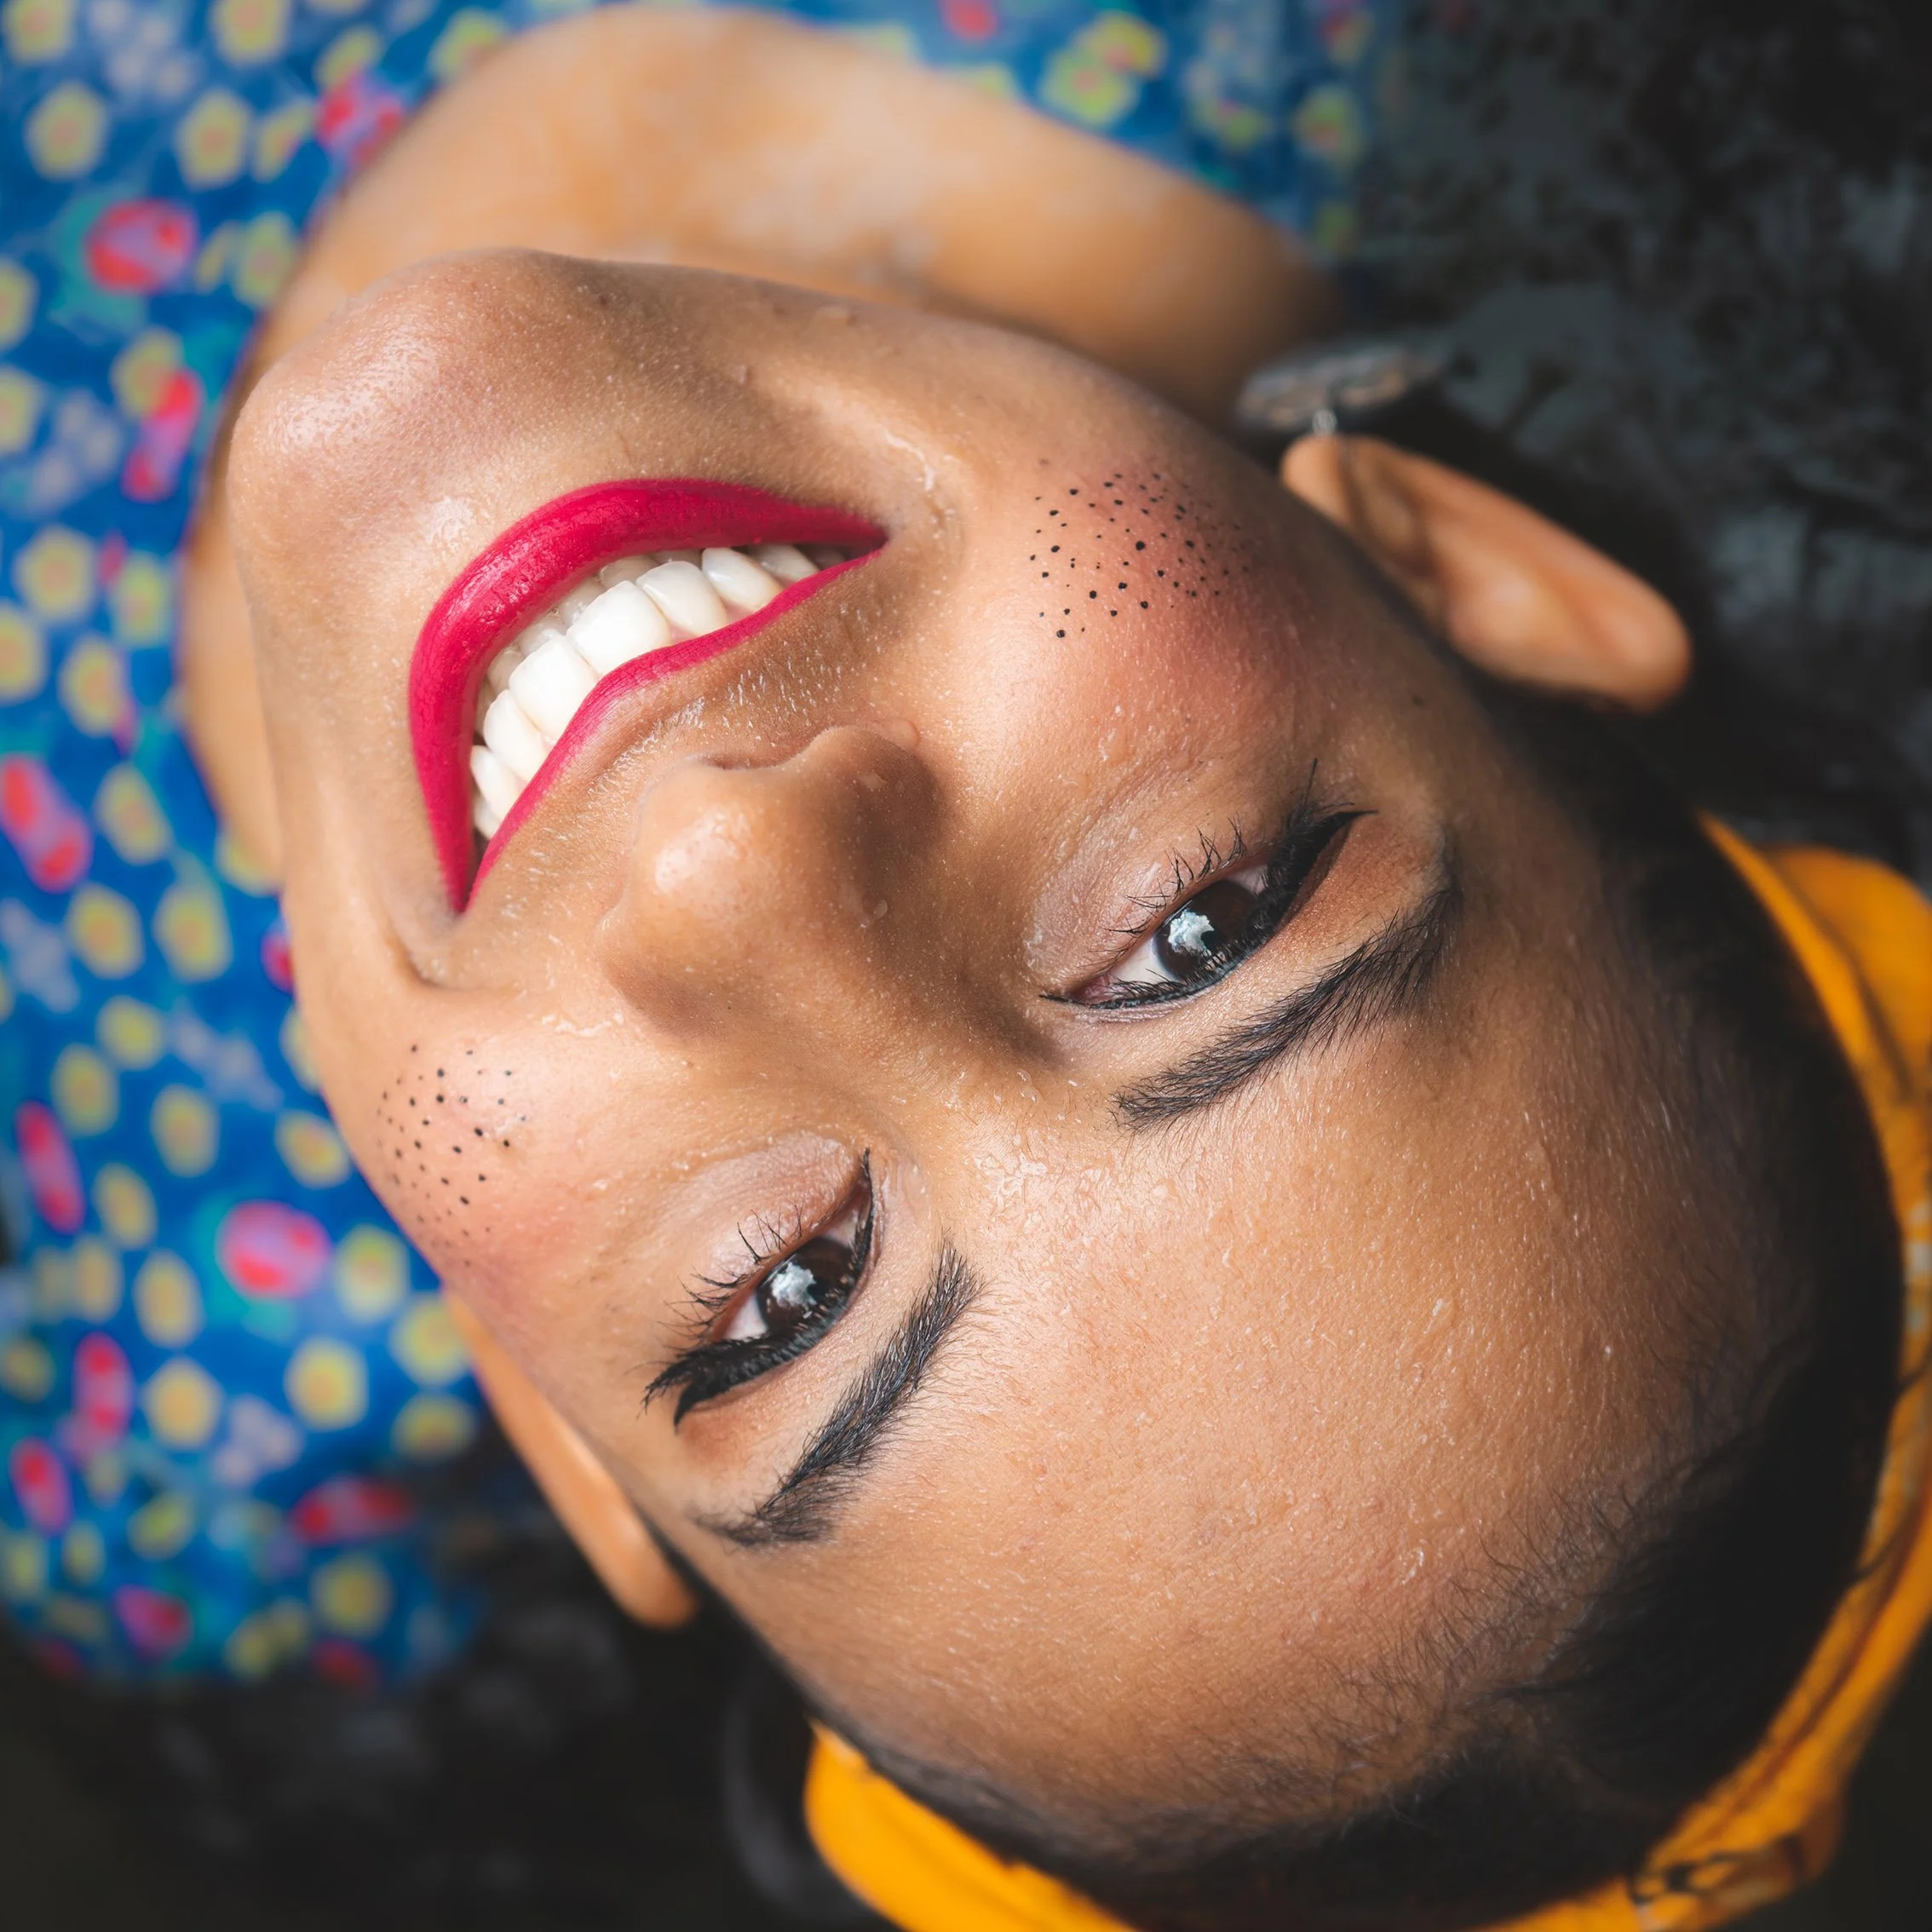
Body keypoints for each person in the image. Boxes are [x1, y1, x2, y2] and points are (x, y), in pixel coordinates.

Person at [6, 8, 1932, 1932]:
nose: (721, 864)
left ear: (550, 1417)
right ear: (1443, 572)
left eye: (779, 1297)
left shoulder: (142, 1376)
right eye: (1196, 926)